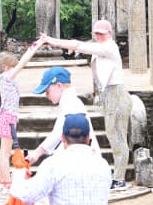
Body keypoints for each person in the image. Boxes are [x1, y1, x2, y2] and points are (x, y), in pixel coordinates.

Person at [41, 19, 132, 191]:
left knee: (118, 139)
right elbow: (78, 47)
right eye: (96, 33)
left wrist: (52, 41)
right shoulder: (100, 48)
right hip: (109, 97)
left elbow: (78, 45)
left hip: (118, 96)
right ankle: (117, 177)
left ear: (109, 33)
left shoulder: (110, 47)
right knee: (113, 136)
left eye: (101, 33)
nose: (98, 36)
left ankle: (119, 179)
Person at [9, 113, 112, 205]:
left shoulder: (53, 164)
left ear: (62, 137)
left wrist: (18, 174)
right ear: (88, 137)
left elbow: (25, 195)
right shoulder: (103, 165)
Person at [0, 38, 46, 191]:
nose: (16, 71)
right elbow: (23, 62)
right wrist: (35, 46)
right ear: (7, 67)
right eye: (13, 68)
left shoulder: (5, 78)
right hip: (7, 117)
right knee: (5, 153)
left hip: (7, 117)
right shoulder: (7, 77)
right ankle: (6, 182)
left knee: (4, 152)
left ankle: (2, 181)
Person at [25, 67, 101, 166]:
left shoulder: (71, 103)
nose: (46, 96)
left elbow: (57, 133)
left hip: (84, 160)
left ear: (59, 86)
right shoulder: (71, 102)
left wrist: (37, 153)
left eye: (47, 91)